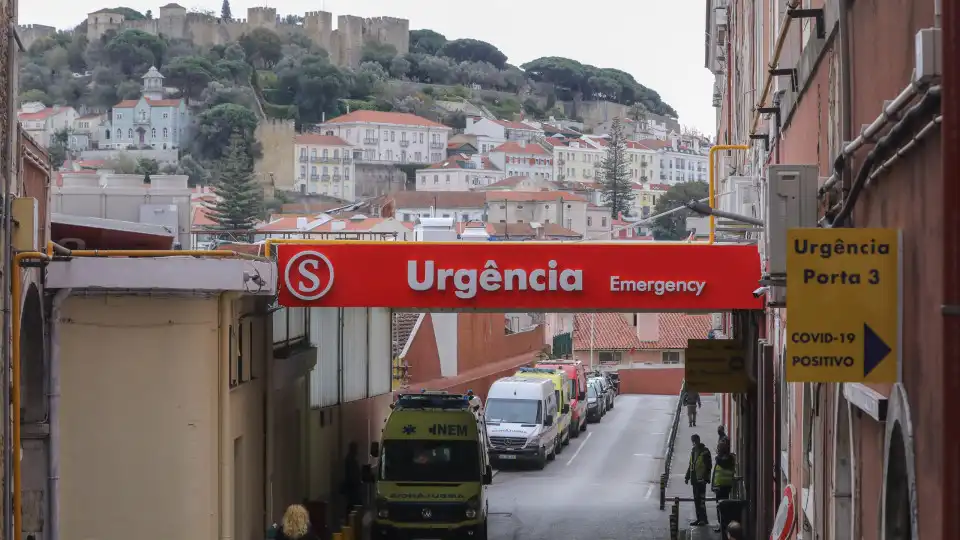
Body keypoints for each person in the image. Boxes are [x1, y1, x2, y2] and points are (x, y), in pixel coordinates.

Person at [684, 434, 712, 526]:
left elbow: (709, 466)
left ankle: (704, 519)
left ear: (698, 441)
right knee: (696, 500)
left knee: (701, 501)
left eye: (695, 441)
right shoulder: (693, 451)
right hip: (695, 480)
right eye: (693, 442)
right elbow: (691, 465)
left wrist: (706, 478)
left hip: (701, 480)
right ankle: (699, 518)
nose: (694, 443)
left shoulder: (705, 451)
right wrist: (687, 477)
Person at [711, 440, 736, 533]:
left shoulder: (723, 459)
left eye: (719, 449)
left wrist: (717, 458)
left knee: (721, 508)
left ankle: (723, 527)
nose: (717, 450)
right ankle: (723, 526)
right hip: (724, 486)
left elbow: (721, 464)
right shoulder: (729, 458)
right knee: (722, 508)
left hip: (722, 487)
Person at [340, 442, 362, 519]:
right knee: (352, 509)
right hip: (352, 490)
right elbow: (352, 475)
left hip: (352, 490)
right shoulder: (350, 460)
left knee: (352, 508)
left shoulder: (350, 459)